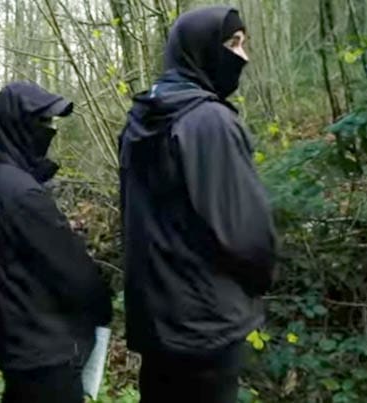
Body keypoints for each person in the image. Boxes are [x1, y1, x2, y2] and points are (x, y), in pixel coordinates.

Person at [118, 6, 277, 403]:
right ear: (201, 50)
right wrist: (260, 279)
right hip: (206, 327)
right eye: (233, 44)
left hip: (157, 326)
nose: (243, 56)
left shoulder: (139, 120)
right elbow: (247, 234)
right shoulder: (209, 122)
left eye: (244, 44)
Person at [0, 81, 112, 403]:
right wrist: (102, 307)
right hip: (45, 354)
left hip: (22, 348)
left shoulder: (0, 184)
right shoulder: (21, 193)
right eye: (42, 122)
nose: (49, 130)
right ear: (19, 127)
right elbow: (73, 272)